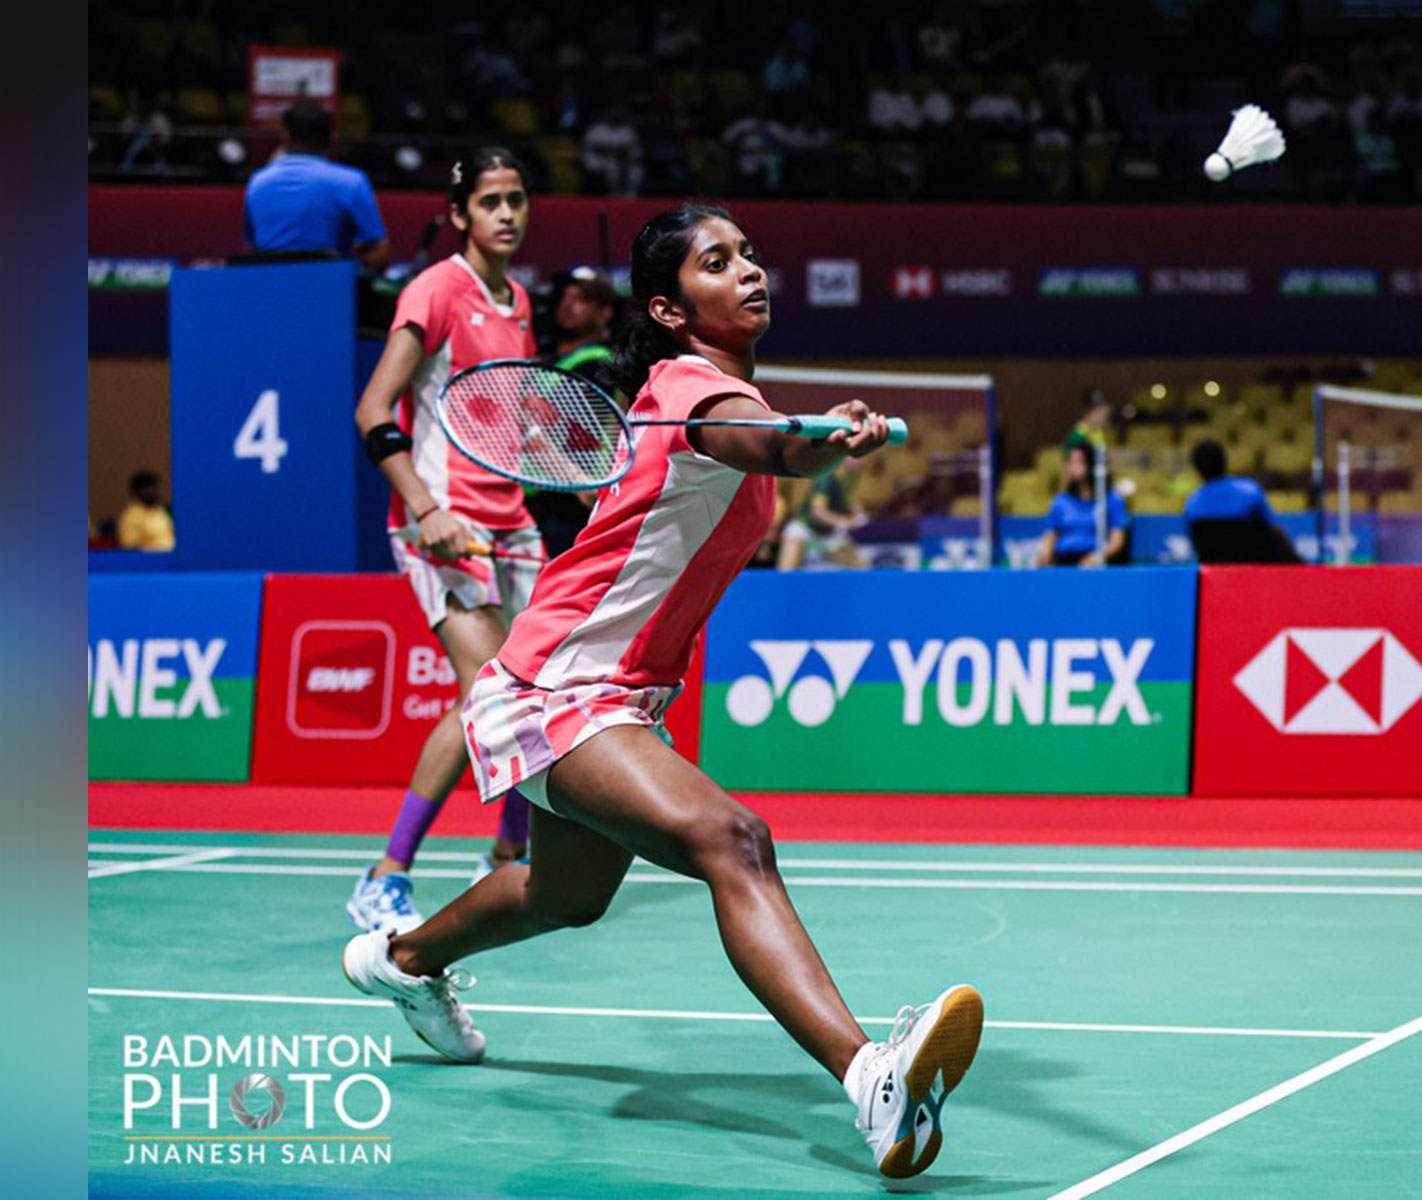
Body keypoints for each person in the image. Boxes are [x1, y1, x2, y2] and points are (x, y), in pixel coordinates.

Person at [342, 203, 984, 1180]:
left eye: (750, 256)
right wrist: (826, 438)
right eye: (717, 263)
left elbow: (757, 452)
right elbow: (770, 445)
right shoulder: (694, 390)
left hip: (619, 692)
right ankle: (870, 1077)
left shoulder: (721, 394)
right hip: (557, 684)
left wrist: (806, 436)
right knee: (734, 840)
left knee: (564, 894)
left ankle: (400, 960)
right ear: (670, 311)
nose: (749, 272)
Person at [347, 148, 549, 936]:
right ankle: (386, 874)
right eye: (491, 202)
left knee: (536, 688)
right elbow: (373, 410)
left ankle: (507, 853)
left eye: (518, 200)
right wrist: (427, 508)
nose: (507, 214)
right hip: (443, 527)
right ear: (460, 214)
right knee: (486, 693)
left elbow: (507, 416)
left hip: (512, 522)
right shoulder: (435, 290)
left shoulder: (520, 301)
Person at [524, 267, 617, 557]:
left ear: (605, 313)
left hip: (575, 503)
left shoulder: (600, 362)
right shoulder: (544, 360)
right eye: (564, 297)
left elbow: (558, 422)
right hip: (532, 503)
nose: (568, 304)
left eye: (581, 299)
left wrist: (524, 407)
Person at [242, 100, 389, 272]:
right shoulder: (352, 182)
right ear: (332, 138)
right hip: (332, 290)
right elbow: (378, 254)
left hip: (269, 290)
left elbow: (250, 251)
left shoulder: (258, 182)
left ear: (286, 136)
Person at [1183, 440, 1299, 563]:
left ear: (1197, 469)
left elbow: (1196, 547)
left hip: (1218, 573)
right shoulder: (1250, 491)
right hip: (1257, 566)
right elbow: (1270, 528)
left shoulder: (1192, 505)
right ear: (1224, 461)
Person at [1037, 439, 1128, 566]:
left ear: (1091, 465)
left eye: (1078, 462)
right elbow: (1049, 538)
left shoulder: (1113, 499)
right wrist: (1044, 553)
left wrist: (1096, 558)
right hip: (1064, 563)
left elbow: (1116, 542)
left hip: (1095, 562)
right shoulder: (1060, 501)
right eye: (1069, 462)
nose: (1071, 467)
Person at [777, 455, 867, 569]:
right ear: (844, 458)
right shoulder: (828, 477)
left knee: (861, 568)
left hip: (829, 533)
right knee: (785, 572)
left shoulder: (850, 478)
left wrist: (854, 511)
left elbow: (841, 502)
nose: (862, 460)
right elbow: (818, 512)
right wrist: (844, 522)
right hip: (804, 528)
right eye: (857, 456)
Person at [116, 469, 175, 551]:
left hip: (172, 558)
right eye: (149, 488)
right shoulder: (131, 516)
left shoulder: (160, 511)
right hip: (150, 560)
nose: (153, 492)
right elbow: (129, 547)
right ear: (137, 492)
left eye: (155, 488)